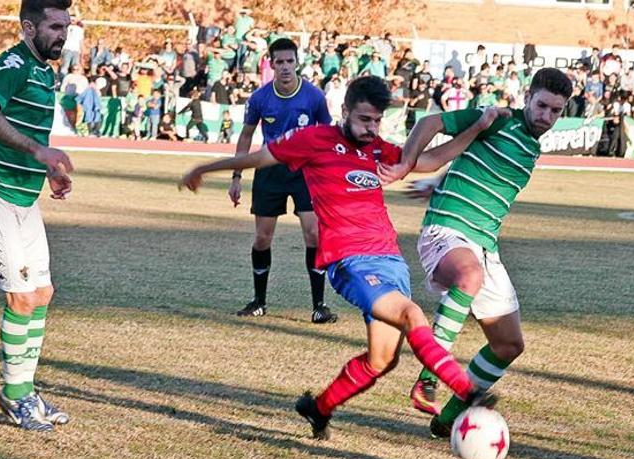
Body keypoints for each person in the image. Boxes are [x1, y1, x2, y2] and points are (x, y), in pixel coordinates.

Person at [180, 76, 501, 440]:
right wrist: (203, 169)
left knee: (382, 360)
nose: (371, 128)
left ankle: (318, 408)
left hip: (391, 262)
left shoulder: (377, 148)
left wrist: (477, 127)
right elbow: (259, 157)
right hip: (351, 262)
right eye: (364, 119)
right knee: (412, 315)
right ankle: (468, 393)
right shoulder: (313, 141)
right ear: (344, 111)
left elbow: (428, 161)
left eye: (377, 121)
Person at [379, 68, 573, 434]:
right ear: (527, 96)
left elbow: (474, 163)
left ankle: (448, 420)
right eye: (542, 105)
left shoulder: (532, 147)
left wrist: (435, 180)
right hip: (446, 231)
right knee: (469, 275)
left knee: (509, 344)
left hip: (484, 245)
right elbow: (430, 122)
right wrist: (407, 161)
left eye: (555, 111)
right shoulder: (497, 119)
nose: (546, 116)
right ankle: (427, 379)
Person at [0, 0, 75, 432]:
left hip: (23, 200)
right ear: (28, 27)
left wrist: (47, 170)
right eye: (55, 26)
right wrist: (39, 150)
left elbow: (26, 132)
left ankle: (24, 389)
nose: (62, 34)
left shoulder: (45, 70)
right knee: (22, 297)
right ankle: (16, 395)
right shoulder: (13, 63)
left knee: (42, 293)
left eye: (66, 26)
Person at [227, 38, 337, 323]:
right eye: (280, 62)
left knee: (313, 234)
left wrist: (329, 174)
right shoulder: (260, 98)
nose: (286, 67)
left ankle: (319, 306)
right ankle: (259, 301)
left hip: (305, 171)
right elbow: (246, 136)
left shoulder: (313, 97)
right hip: (270, 171)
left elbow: (327, 137)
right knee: (263, 237)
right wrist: (237, 176)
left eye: (290, 61)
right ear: (271, 64)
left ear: (297, 62)